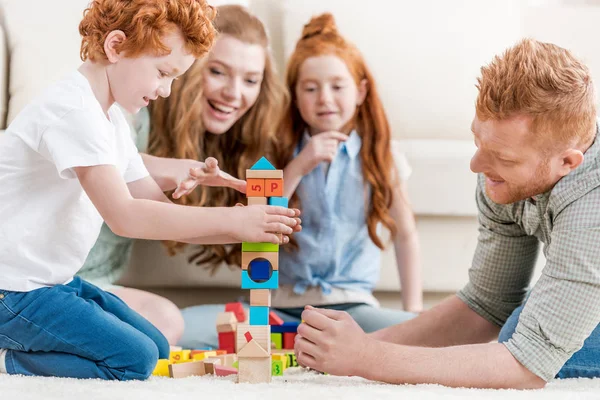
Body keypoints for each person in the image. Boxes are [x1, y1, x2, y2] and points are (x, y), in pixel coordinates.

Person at [0, 0, 299, 380]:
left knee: (156, 346)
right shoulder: (73, 111)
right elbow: (125, 216)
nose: (166, 90)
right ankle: (8, 361)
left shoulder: (109, 118)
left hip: (52, 284)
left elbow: (152, 201)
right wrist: (235, 221)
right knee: (134, 360)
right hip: (12, 291)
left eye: (174, 78)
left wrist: (250, 226)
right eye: (162, 73)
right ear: (116, 46)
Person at [294, 38, 600, 389]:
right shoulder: (500, 172)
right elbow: (487, 304)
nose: (477, 165)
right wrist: (354, 346)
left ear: (567, 162)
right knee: (518, 321)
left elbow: (527, 365)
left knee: (521, 333)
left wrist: (367, 358)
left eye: (505, 158)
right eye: (478, 141)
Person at [178, 13, 422, 350]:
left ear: (361, 91)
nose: (324, 98)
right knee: (183, 328)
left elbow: (405, 234)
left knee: (424, 334)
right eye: (310, 88)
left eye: (337, 86)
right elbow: (258, 232)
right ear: (294, 94)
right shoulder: (275, 153)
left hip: (352, 312)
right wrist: (298, 167)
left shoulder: (381, 156)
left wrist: (414, 310)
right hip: (278, 308)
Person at [77, 4, 290, 346]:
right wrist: (230, 220)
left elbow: (153, 196)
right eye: (218, 72)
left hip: (93, 287)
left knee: (171, 326)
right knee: (163, 331)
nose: (234, 93)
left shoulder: (239, 143)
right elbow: (119, 184)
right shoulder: (128, 109)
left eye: (251, 79)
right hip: (49, 281)